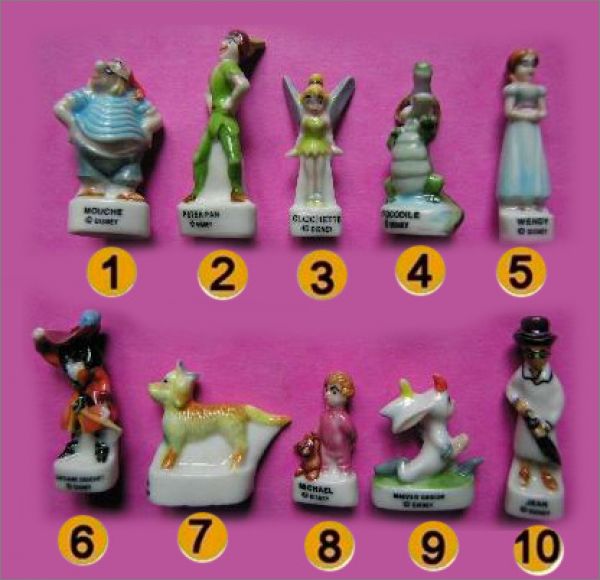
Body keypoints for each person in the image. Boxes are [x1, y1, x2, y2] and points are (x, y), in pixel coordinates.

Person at [507, 316, 564, 491]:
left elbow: (559, 401)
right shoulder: (521, 374)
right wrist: (517, 401)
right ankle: (524, 467)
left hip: (544, 421)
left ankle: (545, 471)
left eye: (542, 354)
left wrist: (548, 423)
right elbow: (511, 388)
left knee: (544, 449)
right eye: (530, 354)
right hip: (527, 419)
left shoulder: (552, 380)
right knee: (524, 446)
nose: (536, 359)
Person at [497, 49, 550, 208]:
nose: (530, 69)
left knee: (533, 160)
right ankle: (515, 198)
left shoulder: (539, 90)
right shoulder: (513, 89)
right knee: (517, 158)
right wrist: (527, 115)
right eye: (525, 65)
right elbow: (508, 111)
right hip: (518, 130)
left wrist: (537, 114)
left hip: (532, 131)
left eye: (532, 65)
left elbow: (543, 111)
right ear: (514, 69)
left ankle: (532, 198)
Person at [318, 371, 356, 473]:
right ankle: (326, 471)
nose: (327, 394)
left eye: (334, 392)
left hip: (341, 450)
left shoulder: (343, 418)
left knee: (343, 465)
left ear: (345, 396)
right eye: (327, 390)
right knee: (326, 465)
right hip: (325, 449)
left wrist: (351, 443)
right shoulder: (324, 416)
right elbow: (319, 430)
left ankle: (344, 472)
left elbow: (351, 433)